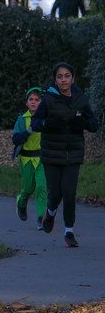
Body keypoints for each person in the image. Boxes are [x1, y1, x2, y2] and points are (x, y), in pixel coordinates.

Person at [31, 62, 100, 247]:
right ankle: (50, 213)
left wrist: (84, 122)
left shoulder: (81, 99)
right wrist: (48, 124)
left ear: (73, 78)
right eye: (60, 76)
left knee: (69, 194)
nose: (63, 80)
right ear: (55, 79)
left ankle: (69, 232)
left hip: (73, 154)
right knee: (55, 193)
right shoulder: (48, 99)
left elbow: (94, 124)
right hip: (52, 154)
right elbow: (35, 123)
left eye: (67, 76)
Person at [11, 88, 47, 228]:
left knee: (42, 187)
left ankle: (41, 218)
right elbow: (16, 139)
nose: (34, 102)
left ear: (41, 103)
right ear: (26, 103)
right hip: (26, 159)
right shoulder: (22, 119)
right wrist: (28, 131)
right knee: (28, 188)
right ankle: (21, 201)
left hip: (41, 159)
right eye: (31, 99)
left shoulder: (45, 119)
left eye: (37, 100)